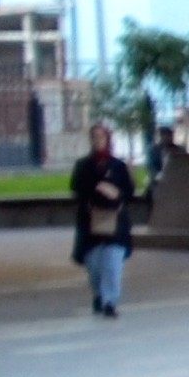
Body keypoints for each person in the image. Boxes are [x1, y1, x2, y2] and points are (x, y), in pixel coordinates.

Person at [69, 120, 133, 317]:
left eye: (101, 136)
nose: (98, 140)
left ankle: (110, 302)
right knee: (95, 266)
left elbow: (129, 191)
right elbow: (76, 188)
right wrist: (95, 188)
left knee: (112, 264)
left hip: (115, 224)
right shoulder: (83, 165)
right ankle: (99, 294)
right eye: (94, 137)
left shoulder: (118, 166)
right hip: (91, 224)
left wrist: (116, 193)